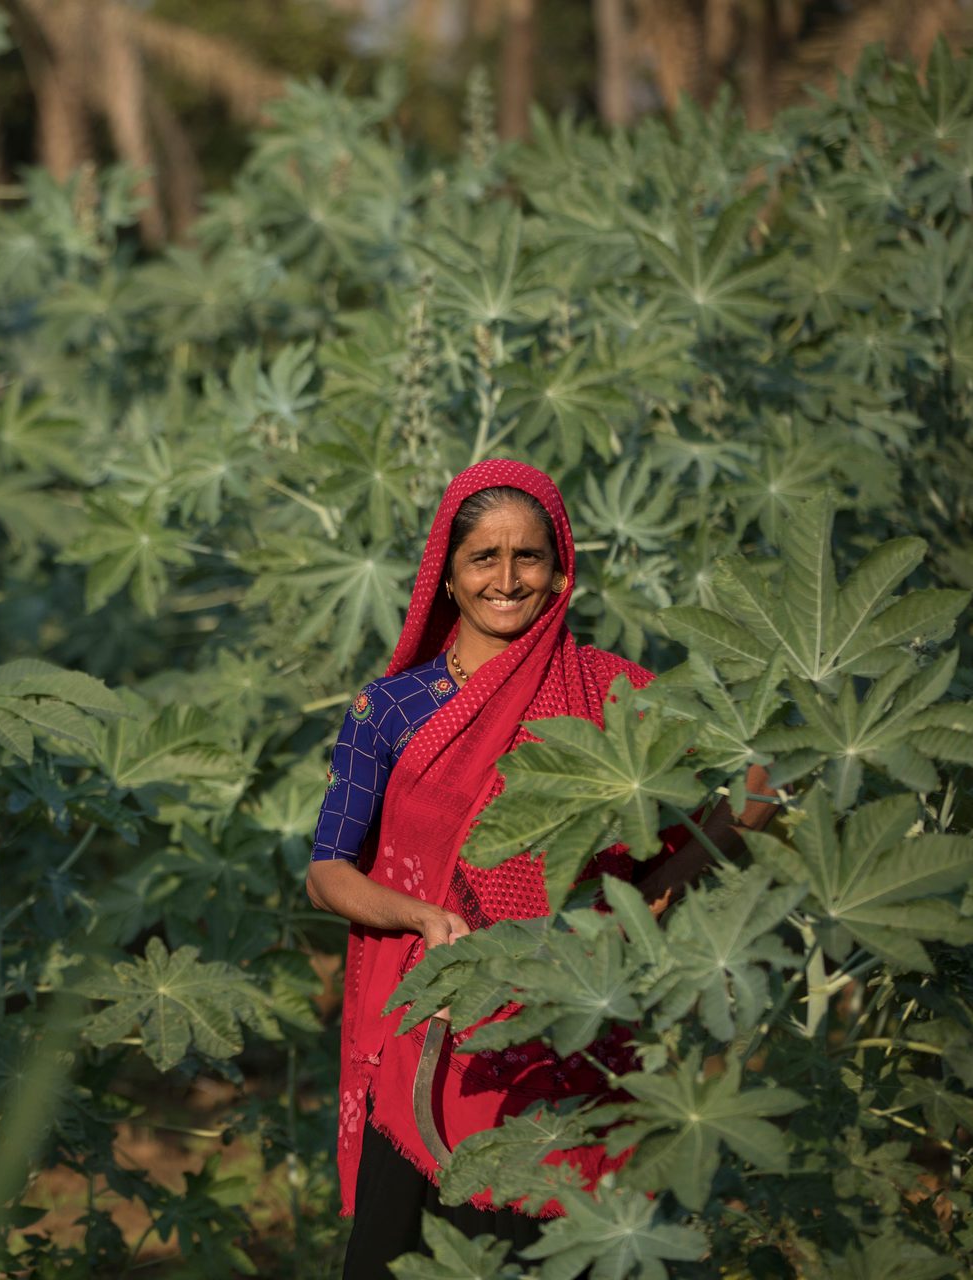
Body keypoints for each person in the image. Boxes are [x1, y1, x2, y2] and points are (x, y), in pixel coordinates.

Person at [304, 459, 774, 1277]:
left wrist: (660, 888)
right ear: (447, 574)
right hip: (437, 1025)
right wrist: (420, 916)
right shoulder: (391, 709)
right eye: (484, 556)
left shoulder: (614, 690)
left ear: (560, 570)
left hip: (579, 1019)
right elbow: (327, 873)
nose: (507, 578)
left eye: (529, 557)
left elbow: (759, 786)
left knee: (569, 1245)